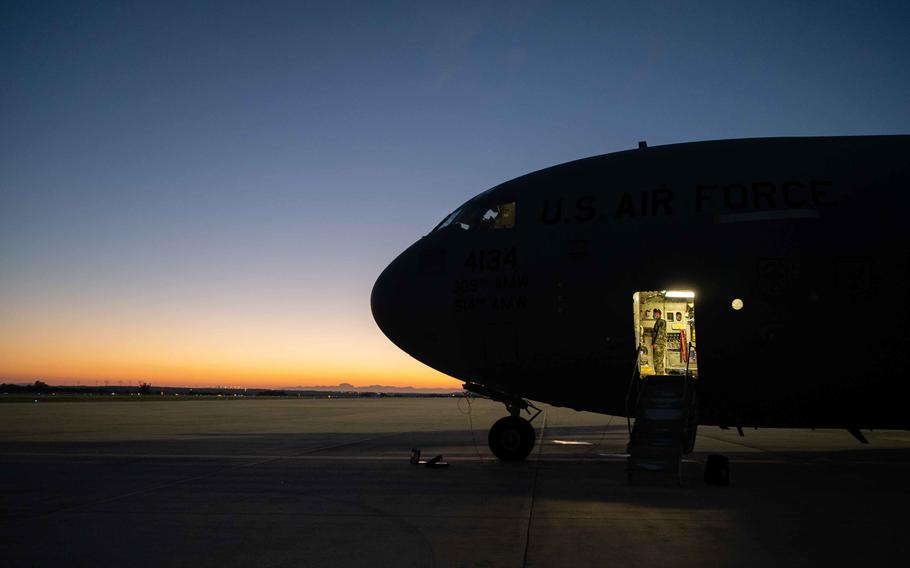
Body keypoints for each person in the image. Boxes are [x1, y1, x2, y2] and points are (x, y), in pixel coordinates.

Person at [651, 308, 667, 375]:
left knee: (658, 360)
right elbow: (655, 333)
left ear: (660, 314)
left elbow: (660, 333)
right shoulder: (657, 322)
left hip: (659, 344)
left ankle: (659, 375)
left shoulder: (661, 321)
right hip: (658, 344)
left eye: (656, 314)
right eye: (654, 314)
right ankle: (659, 374)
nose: (655, 315)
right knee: (657, 360)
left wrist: (655, 343)